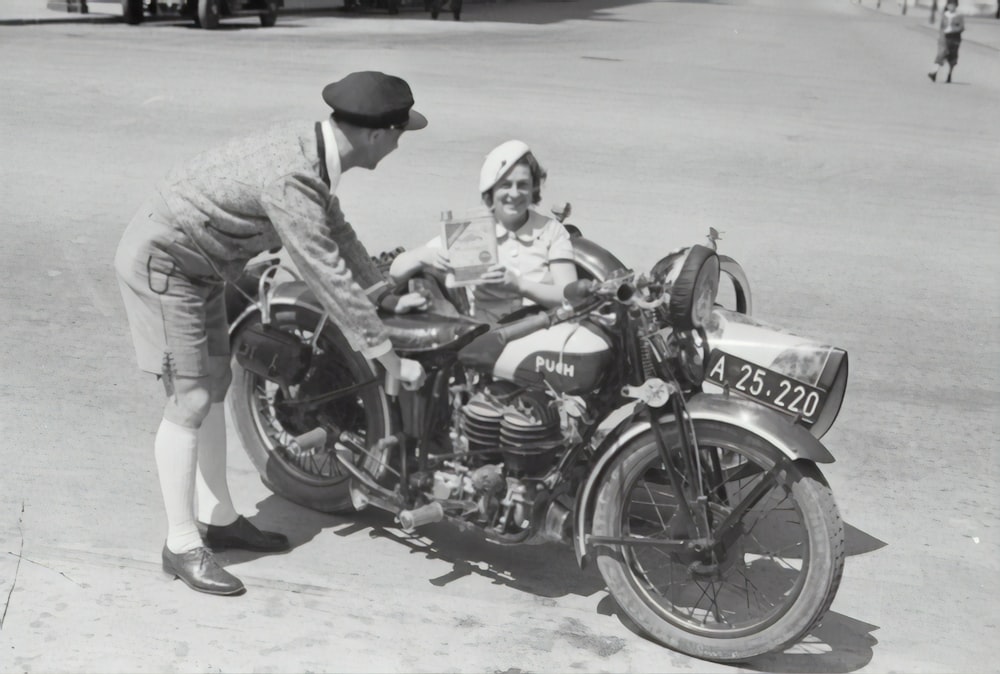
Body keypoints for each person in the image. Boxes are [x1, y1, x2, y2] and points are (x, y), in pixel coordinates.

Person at [114, 71, 429, 596]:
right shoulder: (294, 178)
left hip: (202, 265)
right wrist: (390, 358)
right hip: (166, 261)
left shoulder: (313, 155)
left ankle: (217, 518)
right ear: (376, 135)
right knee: (189, 399)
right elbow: (323, 270)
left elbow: (339, 235)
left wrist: (385, 295)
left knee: (213, 386)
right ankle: (182, 543)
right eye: (399, 133)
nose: (399, 144)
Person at [389, 140, 577, 323]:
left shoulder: (551, 230)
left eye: (522, 185)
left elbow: (572, 295)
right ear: (490, 190)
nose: (514, 193)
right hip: (487, 340)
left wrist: (520, 286)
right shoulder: (472, 228)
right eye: (505, 185)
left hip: (544, 330)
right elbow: (396, 271)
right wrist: (428, 256)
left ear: (533, 188)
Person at [928, 0, 965, 83]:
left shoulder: (959, 16)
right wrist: (940, 36)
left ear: (956, 6)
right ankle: (934, 72)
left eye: (953, 5)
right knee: (941, 54)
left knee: (952, 57)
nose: (951, 7)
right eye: (950, 5)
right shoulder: (945, 15)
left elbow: (962, 27)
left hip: (954, 40)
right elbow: (941, 27)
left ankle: (949, 74)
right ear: (947, 6)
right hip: (944, 38)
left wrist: (952, 29)